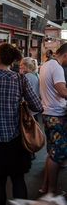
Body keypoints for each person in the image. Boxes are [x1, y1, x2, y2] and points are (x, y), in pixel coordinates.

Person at [0, 43, 43, 205]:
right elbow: (37, 105)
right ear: (12, 60)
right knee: (18, 179)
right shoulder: (20, 79)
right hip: (16, 138)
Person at [39, 43, 67, 194]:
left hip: (48, 113)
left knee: (52, 153)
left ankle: (45, 187)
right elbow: (62, 91)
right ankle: (51, 191)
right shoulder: (57, 67)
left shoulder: (46, 65)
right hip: (56, 115)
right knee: (57, 155)